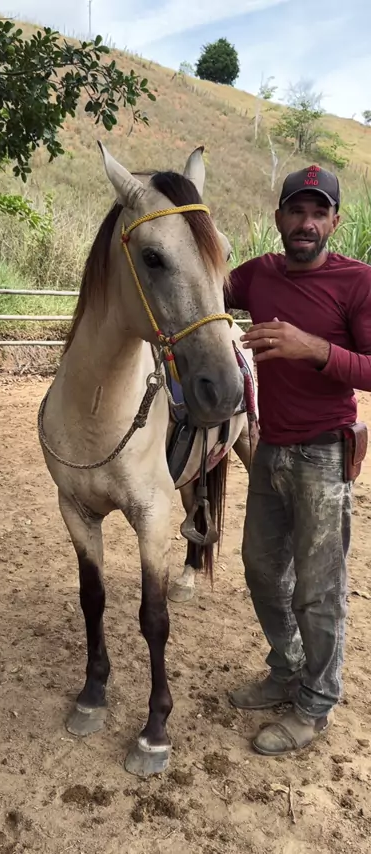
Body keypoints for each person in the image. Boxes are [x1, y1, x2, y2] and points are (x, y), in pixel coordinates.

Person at [225, 164, 371, 756]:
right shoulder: (257, 274)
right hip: (269, 448)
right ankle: (286, 669)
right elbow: (198, 284)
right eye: (296, 211)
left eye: (319, 212)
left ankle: (315, 702)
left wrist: (313, 349)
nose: (306, 223)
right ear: (279, 217)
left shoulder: (358, 281)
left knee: (318, 588)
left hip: (324, 454)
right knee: (261, 569)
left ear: (334, 221)